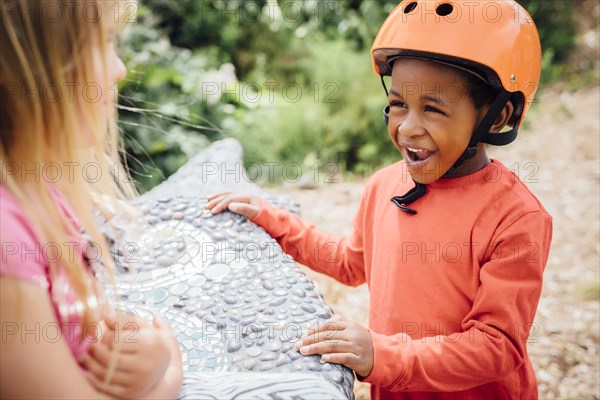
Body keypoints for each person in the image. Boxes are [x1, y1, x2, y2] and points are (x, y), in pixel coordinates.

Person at [205, 0, 552, 398]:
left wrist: (383, 355)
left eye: (433, 109)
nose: (407, 127)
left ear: (499, 116)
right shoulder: (385, 184)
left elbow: (496, 346)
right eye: (398, 104)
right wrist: (270, 219)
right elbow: (351, 262)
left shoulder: (516, 217)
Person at [0, 0, 182, 398]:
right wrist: (168, 373)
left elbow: (78, 335)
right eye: (104, 41)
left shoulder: (44, 193)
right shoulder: (6, 237)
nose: (119, 69)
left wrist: (139, 355)